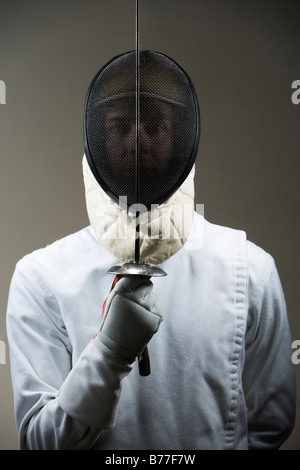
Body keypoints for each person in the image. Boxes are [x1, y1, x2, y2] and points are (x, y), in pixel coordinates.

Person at [6, 51, 296, 450]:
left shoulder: (249, 268)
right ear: (97, 138)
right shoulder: (40, 278)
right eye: (120, 126)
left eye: (155, 126)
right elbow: (38, 441)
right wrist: (108, 354)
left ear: (181, 136)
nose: (137, 142)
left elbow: (273, 421)